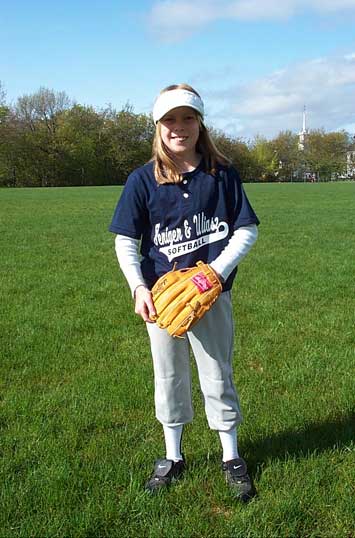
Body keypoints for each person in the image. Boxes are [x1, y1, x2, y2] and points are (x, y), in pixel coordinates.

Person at [109, 83, 260, 502]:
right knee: (169, 376)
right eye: (170, 119)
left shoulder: (222, 174)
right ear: (158, 126)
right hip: (161, 299)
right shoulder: (142, 179)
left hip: (212, 296)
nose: (179, 127)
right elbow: (125, 239)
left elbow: (246, 229)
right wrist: (138, 287)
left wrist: (213, 273)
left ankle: (230, 456)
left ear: (200, 123)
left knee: (217, 373)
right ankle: (173, 457)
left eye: (187, 118)